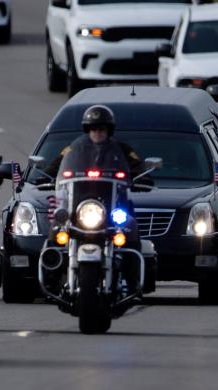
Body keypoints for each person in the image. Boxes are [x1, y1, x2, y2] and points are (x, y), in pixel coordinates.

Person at [45, 105, 146, 294]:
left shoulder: (121, 149)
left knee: (130, 226)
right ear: (87, 130)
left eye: (101, 129)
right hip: (79, 208)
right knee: (57, 226)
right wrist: (46, 176)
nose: (97, 133)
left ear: (108, 130)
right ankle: (51, 276)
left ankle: (133, 283)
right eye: (93, 129)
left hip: (113, 209)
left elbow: (137, 167)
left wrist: (142, 177)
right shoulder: (74, 149)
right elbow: (54, 168)